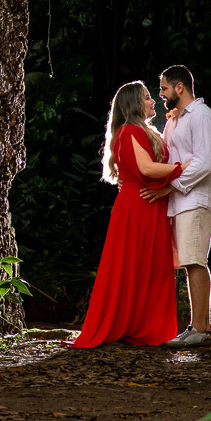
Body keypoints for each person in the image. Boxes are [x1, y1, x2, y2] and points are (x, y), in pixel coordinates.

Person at [69, 81, 187, 348]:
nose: (152, 101)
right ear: (134, 103)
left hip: (151, 205)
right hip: (139, 206)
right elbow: (146, 168)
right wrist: (185, 168)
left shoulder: (145, 130)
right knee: (132, 266)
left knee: (151, 268)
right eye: (147, 97)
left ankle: (144, 324)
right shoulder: (129, 130)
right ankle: (132, 324)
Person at [141, 64, 211, 349]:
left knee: (194, 260)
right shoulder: (176, 118)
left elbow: (202, 163)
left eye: (164, 88)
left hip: (197, 197)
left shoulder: (202, 115)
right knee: (189, 261)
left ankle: (199, 329)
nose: (161, 94)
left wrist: (170, 186)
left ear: (180, 87)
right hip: (181, 200)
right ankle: (200, 327)